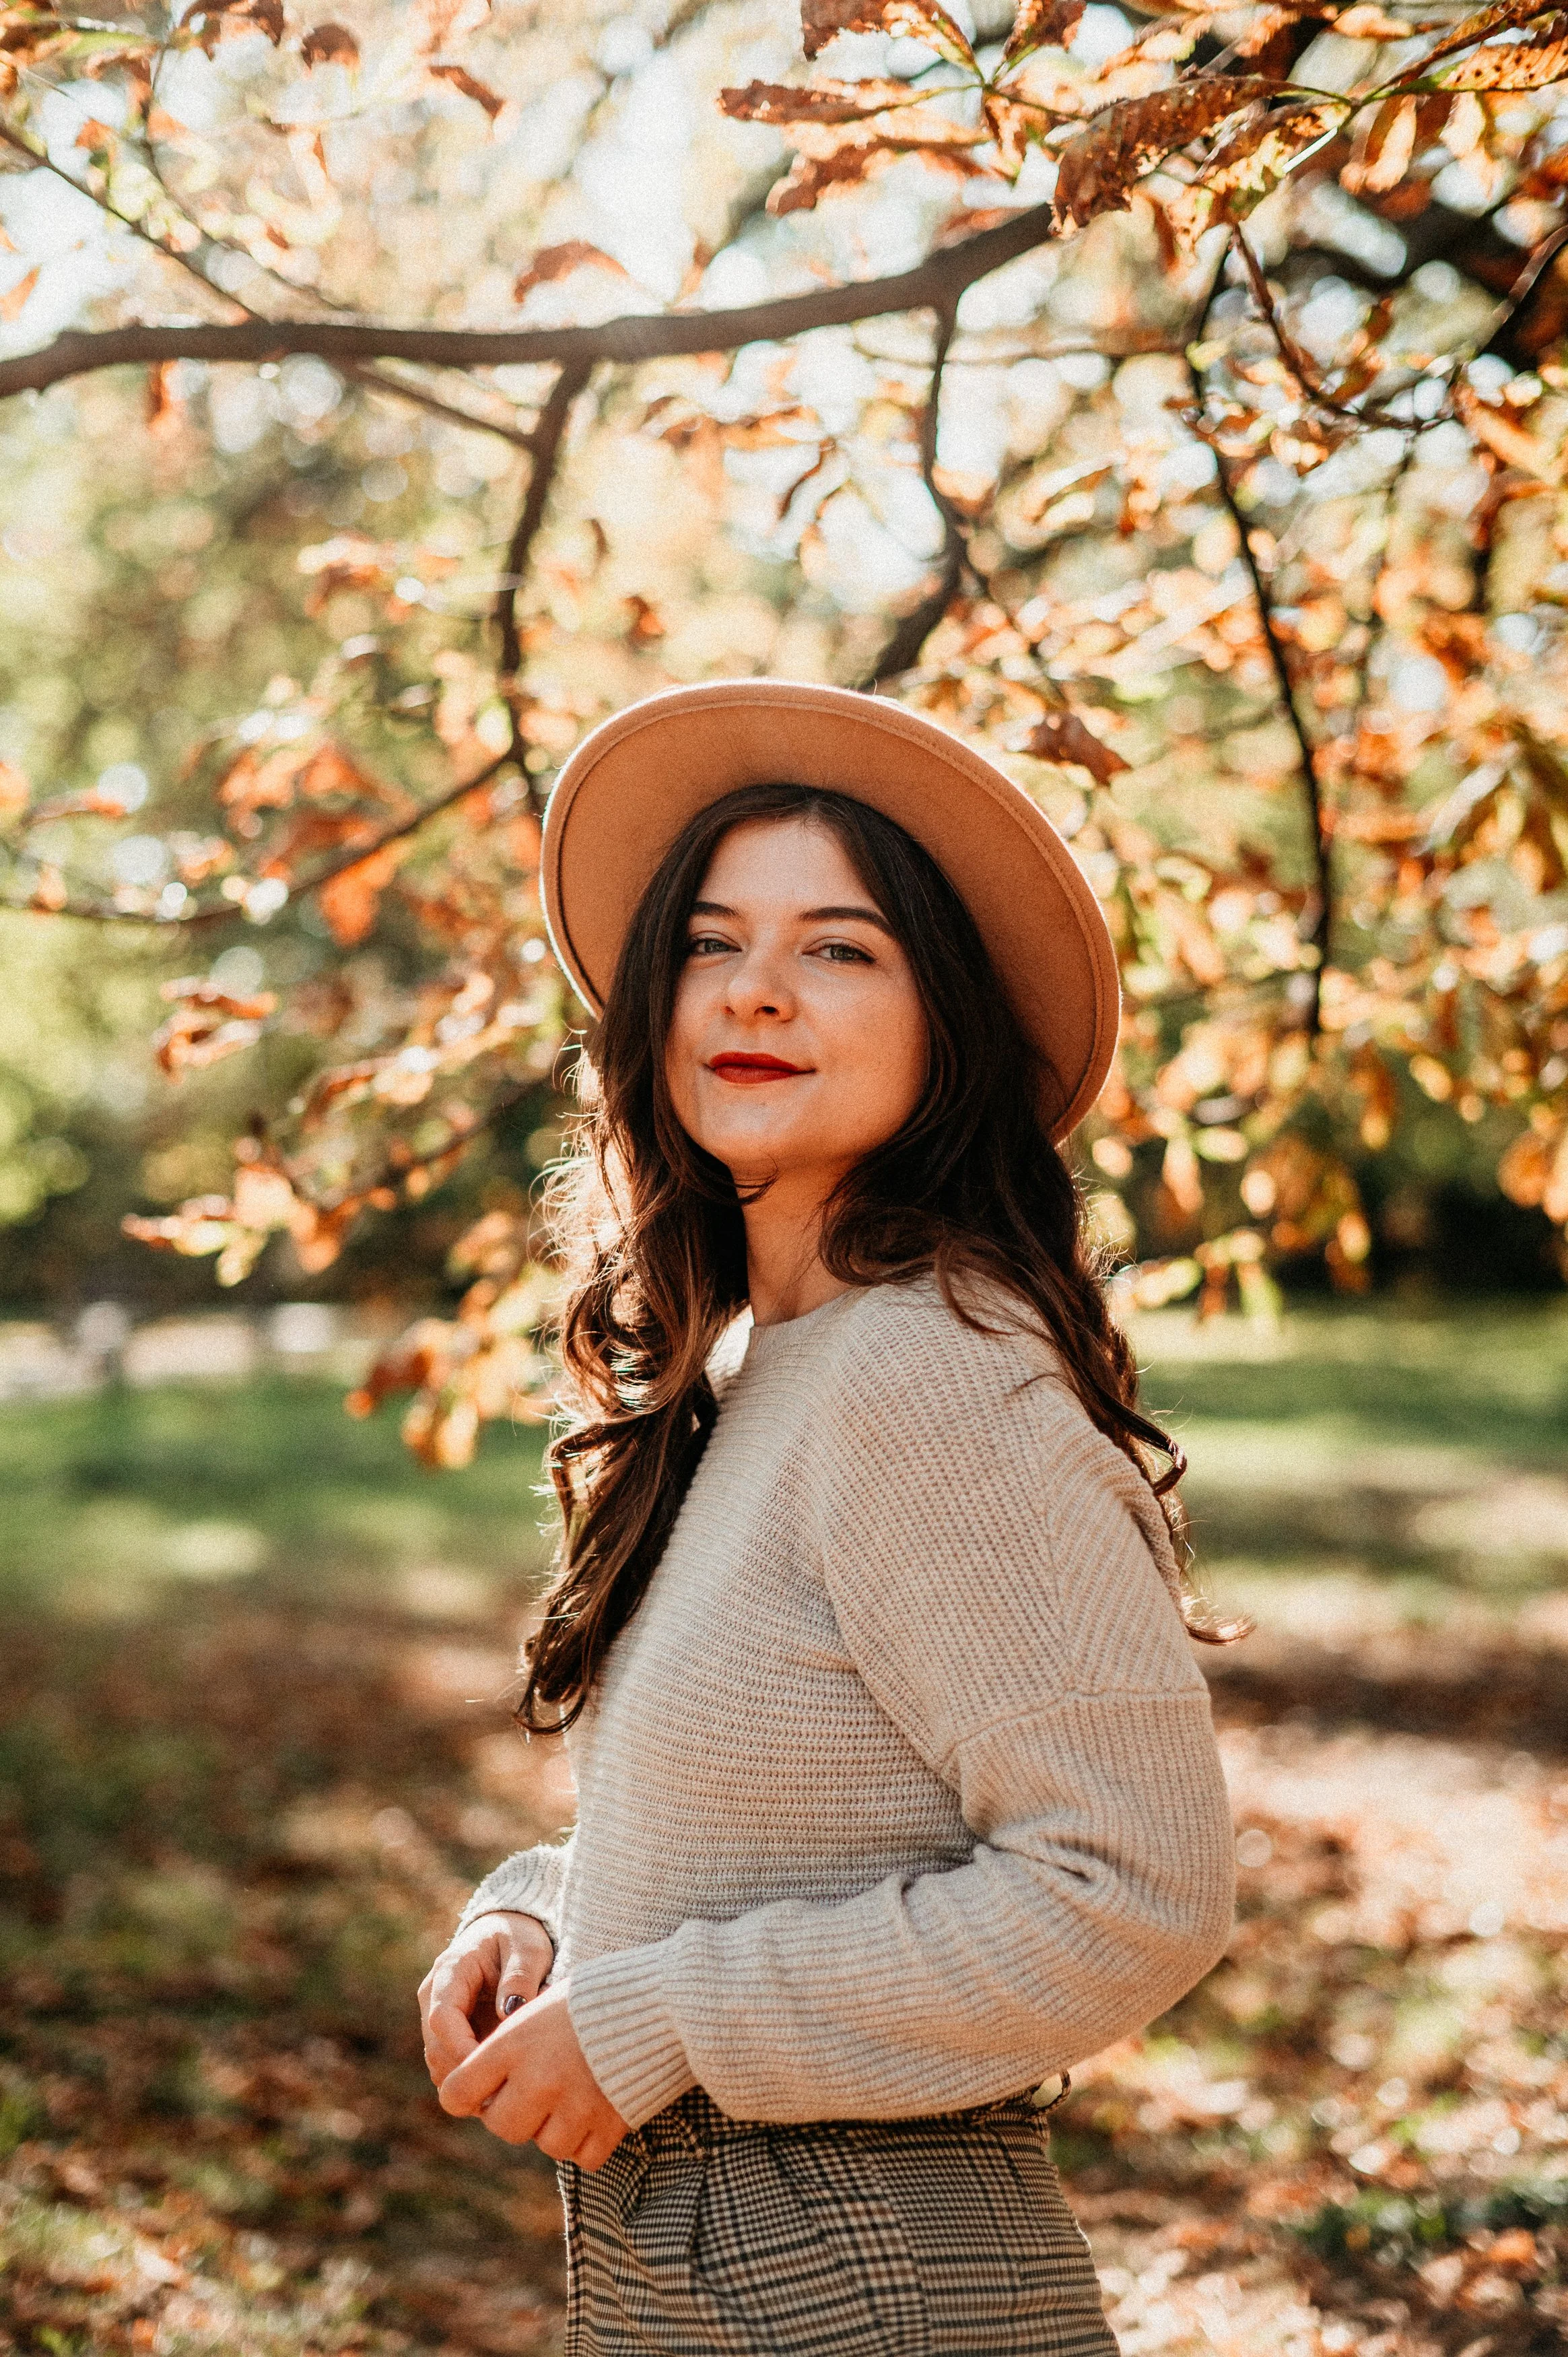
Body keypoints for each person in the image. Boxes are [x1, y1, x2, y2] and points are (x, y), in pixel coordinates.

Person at [417, 679, 1237, 2355]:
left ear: (952, 1019)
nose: (759, 990)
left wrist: (661, 2018)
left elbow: (1132, 1884)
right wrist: (547, 1913)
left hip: (867, 2277)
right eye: (713, 943)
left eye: (841, 949)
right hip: (710, 2260)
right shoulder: (765, 1359)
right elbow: (808, 1817)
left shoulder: (931, 1372)